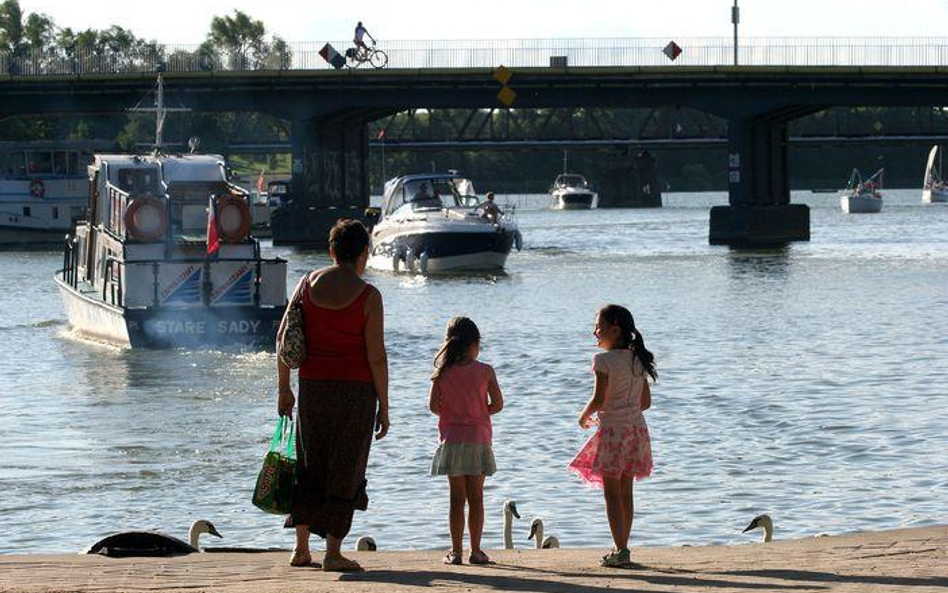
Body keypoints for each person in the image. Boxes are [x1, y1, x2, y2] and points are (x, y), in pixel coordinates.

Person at [276, 219, 390, 572]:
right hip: (356, 393)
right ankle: (334, 552)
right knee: (346, 468)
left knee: (310, 464)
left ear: (331, 251)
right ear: (363, 254)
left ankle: (301, 548)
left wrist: (284, 388)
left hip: (313, 389)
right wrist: (384, 406)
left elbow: (283, 339)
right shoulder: (370, 296)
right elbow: (377, 356)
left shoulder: (305, 285)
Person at [568, 304, 655, 568]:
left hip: (613, 434)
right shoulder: (638, 359)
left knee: (611, 495)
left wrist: (582, 417)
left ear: (615, 330)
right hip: (636, 432)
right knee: (626, 493)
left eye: (599, 327)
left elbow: (597, 399)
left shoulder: (603, 361)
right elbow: (645, 402)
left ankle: (620, 549)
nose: (595, 332)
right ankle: (623, 547)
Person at [428, 317, 504, 566]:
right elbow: (498, 404)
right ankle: (477, 550)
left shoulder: (442, 372)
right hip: (478, 440)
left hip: (451, 440)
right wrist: (480, 414)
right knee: (477, 498)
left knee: (456, 499)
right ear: (474, 344)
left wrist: (453, 416)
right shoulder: (485, 371)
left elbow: (433, 407)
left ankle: (456, 551)